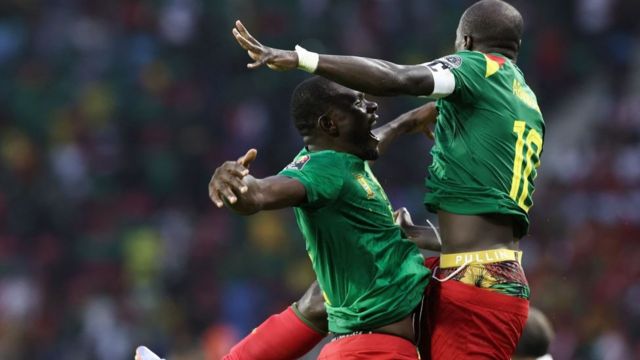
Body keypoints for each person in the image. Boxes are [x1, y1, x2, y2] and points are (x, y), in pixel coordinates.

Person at [231, 0, 544, 358]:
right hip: (480, 273)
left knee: (350, 293)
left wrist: (303, 59)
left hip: (477, 286)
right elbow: (492, 222)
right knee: (337, 293)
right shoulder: (524, 101)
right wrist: (419, 235)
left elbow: (398, 77)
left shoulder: (479, 68)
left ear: (467, 42)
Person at [211, 76, 442, 359]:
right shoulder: (322, 170)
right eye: (358, 102)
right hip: (370, 353)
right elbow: (260, 194)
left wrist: (407, 121)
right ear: (330, 124)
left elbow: (374, 143)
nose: (372, 106)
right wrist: (236, 186)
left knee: (319, 299)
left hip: (369, 347)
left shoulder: (342, 158)